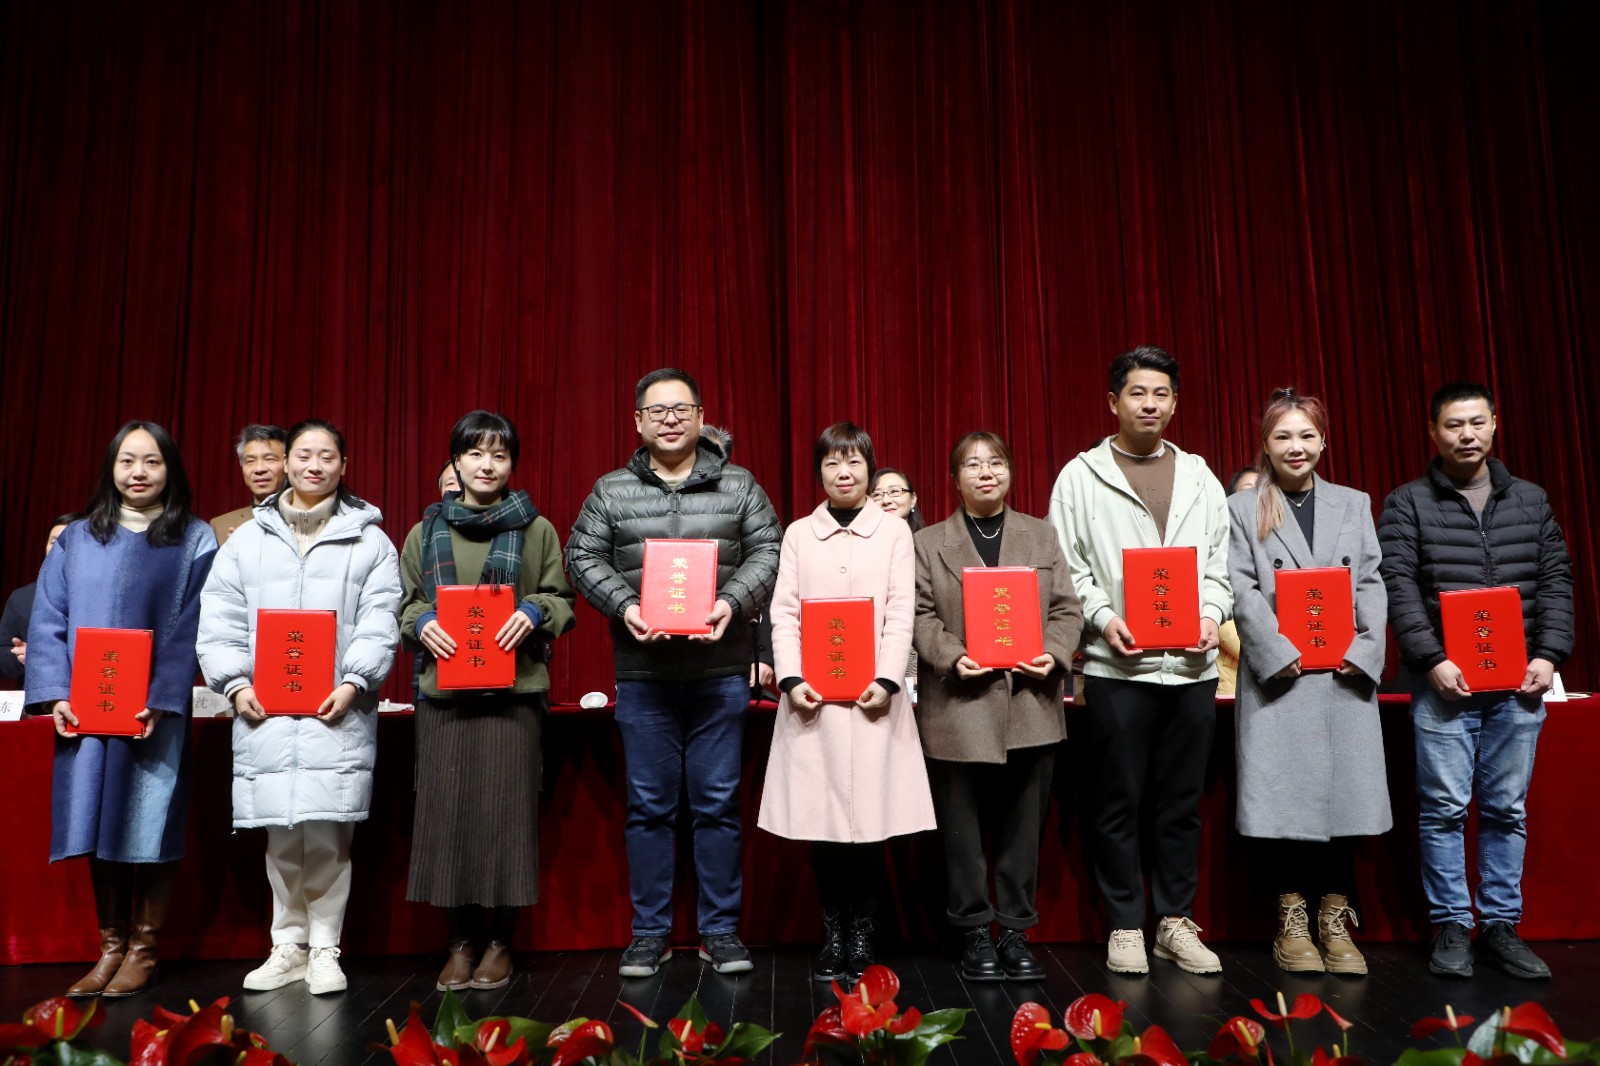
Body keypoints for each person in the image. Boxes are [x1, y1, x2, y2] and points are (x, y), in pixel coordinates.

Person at [565, 368, 781, 977]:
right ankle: (649, 933)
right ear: (637, 421)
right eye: (656, 410)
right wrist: (625, 606)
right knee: (649, 807)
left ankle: (721, 931)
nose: (669, 419)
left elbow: (769, 549)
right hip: (644, 674)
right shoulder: (611, 490)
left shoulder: (739, 485)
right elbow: (580, 555)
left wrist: (731, 601)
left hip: (720, 669)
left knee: (717, 805)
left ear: (700, 416)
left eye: (680, 409)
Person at [197, 419, 401, 996]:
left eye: (327, 456)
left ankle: (326, 948)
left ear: (344, 465)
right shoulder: (246, 540)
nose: (314, 465)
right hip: (264, 708)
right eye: (304, 454)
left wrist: (356, 681)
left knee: (330, 836)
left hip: (337, 708)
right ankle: (286, 945)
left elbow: (380, 619)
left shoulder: (370, 541)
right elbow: (220, 618)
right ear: (286, 463)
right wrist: (235, 684)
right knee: (281, 833)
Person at [1048, 345, 1232, 976]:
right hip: (1115, 668)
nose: (1149, 404)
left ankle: (1175, 923)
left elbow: (1220, 564)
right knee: (1117, 801)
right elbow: (1067, 566)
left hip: (1191, 670)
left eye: (1161, 394)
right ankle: (1126, 924)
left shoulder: (1201, 477)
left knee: (1180, 804)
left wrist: (1210, 615)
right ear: (1113, 402)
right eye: (1137, 393)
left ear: (1174, 403)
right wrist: (1103, 617)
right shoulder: (1080, 477)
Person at [1378, 382, 1572, 980]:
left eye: (1476, 423)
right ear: (1433, 433)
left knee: (1507, 810)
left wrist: (1550, 654)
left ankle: (1500, 926)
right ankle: (1451, 926)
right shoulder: (1407, 503)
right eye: (1453, 425)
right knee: (1443, 809)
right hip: (1444, 685)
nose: (1466, 435)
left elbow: (1556, 580)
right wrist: (1431, 658)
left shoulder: (1531, 499)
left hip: (1519, 684)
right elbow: (1398, 586)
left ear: (1494, 425)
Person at [25, 422, 216, 997]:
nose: (138, 472)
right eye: (127, 460)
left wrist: (161, 697)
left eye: (152, 461)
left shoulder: (195, 538)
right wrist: (56, 693)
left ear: (170, 469)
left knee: (149, 817)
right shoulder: (78, 539)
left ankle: (144, 948)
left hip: (152, 713)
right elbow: (49, 618)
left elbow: (193, 626)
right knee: (95, 815)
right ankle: (109, 946)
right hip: (87, 707)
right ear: (110, 467)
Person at [398, 411, 576, 992]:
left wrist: (535, 610)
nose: (486, 465)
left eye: (499, 455)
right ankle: (459, 942)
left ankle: (500, 942)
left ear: (512, 464)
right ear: (456, 461)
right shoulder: (424, 533)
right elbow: (405, 604)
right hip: (444, 698)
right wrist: (421, 622)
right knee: (447, 818)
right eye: (475, 453)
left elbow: (561, 598)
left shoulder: (538, 529)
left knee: (508, 819)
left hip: (514, 697)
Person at [758, 423, 935, 983]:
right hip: (813, 700)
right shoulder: (798, 534)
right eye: (833, 462)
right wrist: (791, 679)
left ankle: (863, 933)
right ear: (819, 472)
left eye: (854, 462)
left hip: (874, 700)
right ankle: (833, 931)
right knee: (823, 824)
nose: (844, 472)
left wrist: (886, 678)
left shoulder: (894, 533)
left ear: (869, 469)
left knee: (871, 826)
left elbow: (901, 611)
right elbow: (784, 611)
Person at [1226, 390, 1390, 975]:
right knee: (1282, 803)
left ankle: (1335, 919)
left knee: (1347, 800)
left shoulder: (1354, 503)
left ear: (1323, 440)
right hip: (1281, 679)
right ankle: (1292, 920)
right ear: (1265, 445)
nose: (1295, 447)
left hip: (1344, 675)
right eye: (1282, 437)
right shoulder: (1241, 508)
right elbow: (1241, 587)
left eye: (1306, 435)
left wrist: (1365, 650)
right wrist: (1276, 651)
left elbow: (1370, 581)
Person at [915, 431, 1082, 982]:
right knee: (960, 830)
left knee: (1022, 828)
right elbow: (919, 615)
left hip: (1030, 702)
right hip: (958, 704)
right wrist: (951, 655)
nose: (986, 472)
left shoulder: (1041, 535)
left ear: (1009, 472)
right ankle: (972, 930)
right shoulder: (929, 542)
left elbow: (1067, 610)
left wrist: (1054, 652)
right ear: (955, 478)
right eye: (973, 464)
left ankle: (1013, 930)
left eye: (996, 463)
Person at [1, 514, 77, 685]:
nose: (59, 548)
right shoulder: (22, 597)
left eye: (70, 541)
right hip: (35, 694)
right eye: (53, 541)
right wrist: (21, 656)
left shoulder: (106, 597)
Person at [1216, 469, 1260, 696]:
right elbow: (1222, 623)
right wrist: (1275, 652)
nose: (1257, 496)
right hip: (1235, 682)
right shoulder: (1221, 547)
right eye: (1248, 489)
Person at [209, 425, 287, 547]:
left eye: (269, 459)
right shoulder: (220, 526)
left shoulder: (307, 520)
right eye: (250, 461)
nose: (259, 469)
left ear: (288, 464)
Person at [869, 467, 924, 533]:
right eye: (877, 494)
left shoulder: (928, 538)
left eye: (894, 491)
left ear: (913, 499)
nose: (886, 501)